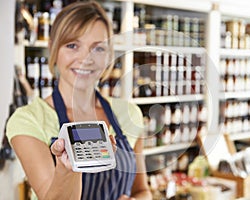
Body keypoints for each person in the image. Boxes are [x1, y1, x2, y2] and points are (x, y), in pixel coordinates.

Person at [6, 1, 152, 200]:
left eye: (98, 48)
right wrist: (68, 168)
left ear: (109, 53)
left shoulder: (130, 113)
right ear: (53, 49)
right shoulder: (28, 120)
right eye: (73, 45)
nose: (86, 58)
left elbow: (142, 191)